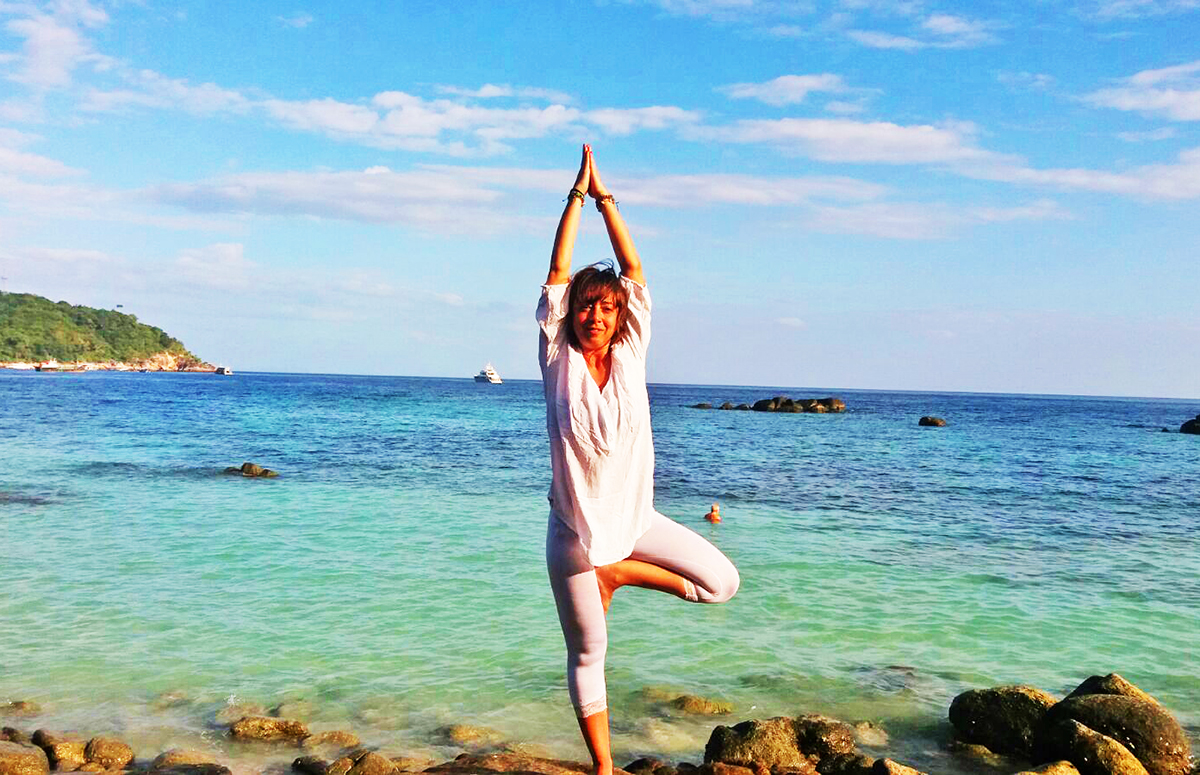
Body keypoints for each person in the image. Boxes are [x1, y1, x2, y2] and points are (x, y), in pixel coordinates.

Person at [538, 145, 740, 775]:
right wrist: (576, 197)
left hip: (636, 520)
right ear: (570, 312)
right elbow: (558, 269)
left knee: (721, 585)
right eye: (585, 306)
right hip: (575, 533)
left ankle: (619, 574)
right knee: (588, 652)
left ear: (621, 315)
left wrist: (607, 200)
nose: (595, 316)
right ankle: (604, 765)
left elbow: (633, 267)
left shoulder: (630, 354)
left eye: (607, 308)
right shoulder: (557, 357)